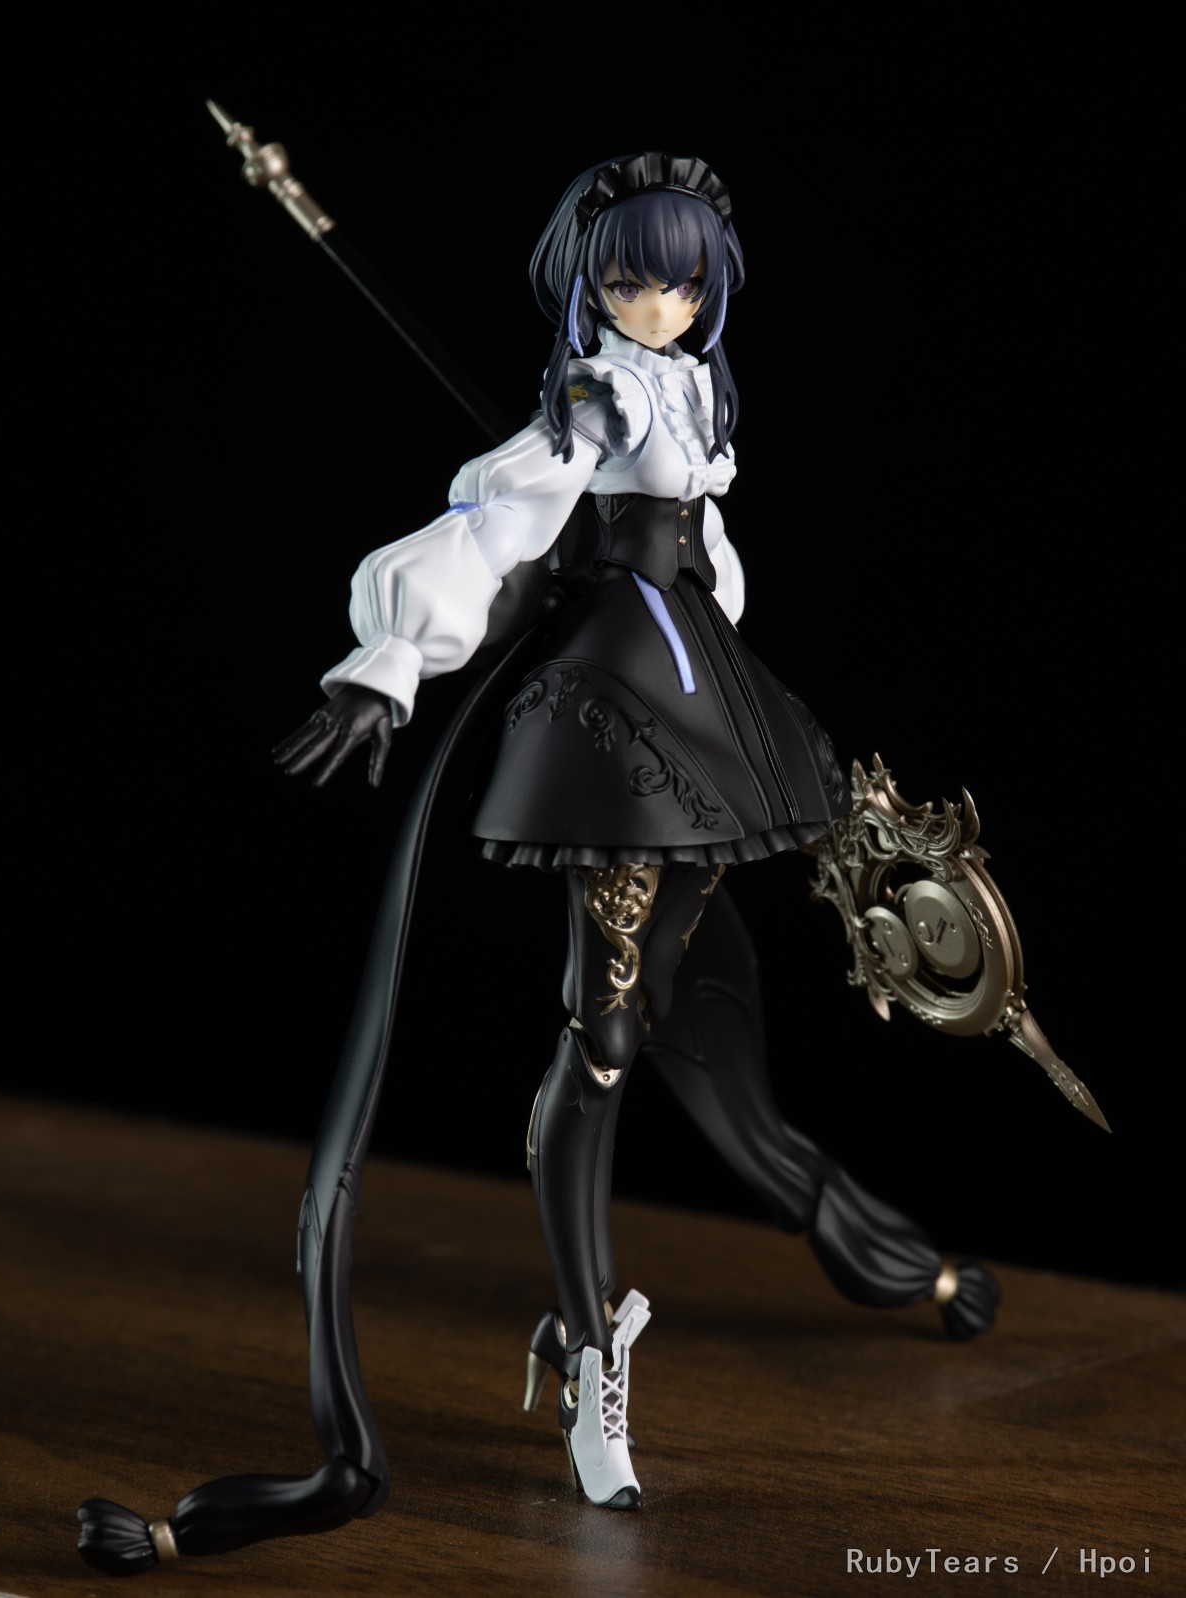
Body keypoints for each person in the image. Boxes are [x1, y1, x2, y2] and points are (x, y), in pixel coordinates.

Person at [273, 152, 999, 1512]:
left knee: (681, 1023)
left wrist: (717, 610)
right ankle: (590, 1340)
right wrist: (388, 661)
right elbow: (491, 519)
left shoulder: (696, 388)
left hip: (707, 684)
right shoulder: (591, 398)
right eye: (632, 281)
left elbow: (707, 535)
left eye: (685, 283)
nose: (661, 304)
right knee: (602, 1040)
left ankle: (862, 1252)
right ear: (591, 286)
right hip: (617, 706)